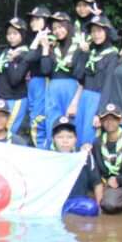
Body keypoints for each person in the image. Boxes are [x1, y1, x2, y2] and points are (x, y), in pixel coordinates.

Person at [73, 15, 119, 146]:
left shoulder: (112, 56)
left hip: (98, 100)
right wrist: (83, 54)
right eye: (93, 31)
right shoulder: (91, 53)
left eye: (99, 31)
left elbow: (108, 85)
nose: (96, 34)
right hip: (84, 98)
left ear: (107, 32)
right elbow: (79, 76)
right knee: (78, 135)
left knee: (91, 138)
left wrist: (100, 112)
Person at [41, 11, 84, 146]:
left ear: (68, 26)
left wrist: (84, 52)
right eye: (54, 28)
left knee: (73, 122)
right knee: (52, 122)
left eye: (60, 26)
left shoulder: (79, 45)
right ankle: (53, 153)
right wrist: (45, 49)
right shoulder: (53, 46)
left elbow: (81, 74)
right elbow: (45, 70)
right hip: (53, 89)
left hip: (72, 88)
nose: (58, 31)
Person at [0, 17, 31, 137]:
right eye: (9, 34)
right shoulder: (5, 51)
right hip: (2, 98)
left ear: (22, 35)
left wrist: (12, 60)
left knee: (6, 132)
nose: (11, 37)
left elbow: (15, 79)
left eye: (15, 34)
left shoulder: (24, 53)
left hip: (16, 99)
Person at [50, 116, 101, 216]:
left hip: (76, 202)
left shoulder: (84, 155)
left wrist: (100, 209)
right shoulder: (46, 157)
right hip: (53, 201)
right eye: (60, 137)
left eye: (69, 137)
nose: (65, 141)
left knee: (91, 208)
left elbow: (97, 184)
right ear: (53, 139)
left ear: (76, 139)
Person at [26, 6, 53, 148]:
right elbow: (28, 59)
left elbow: (30, 58)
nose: (32, 22)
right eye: (32, 19)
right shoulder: (36, 37)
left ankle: (41, 149)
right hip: (34, 82)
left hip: (44, 82)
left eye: (37, 19)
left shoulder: (50, 38)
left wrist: (40, 42)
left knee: (39, 118)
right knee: (33, 116)